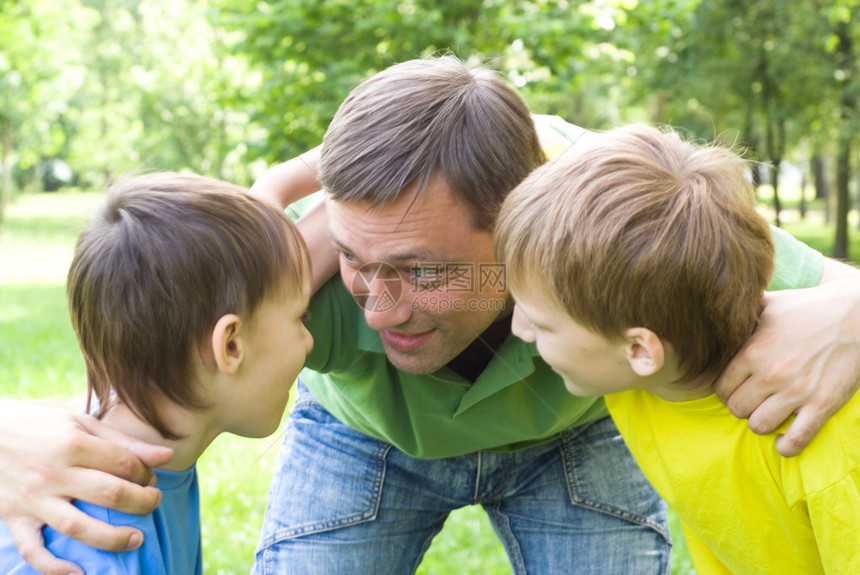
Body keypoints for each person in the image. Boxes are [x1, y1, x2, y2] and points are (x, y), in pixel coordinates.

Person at [1, 56, 860, 575]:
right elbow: (145, 316)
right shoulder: (290, 287)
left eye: (422, 271)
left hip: (572, 432)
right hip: (366, 437)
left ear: (523, 228)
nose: (378, 306)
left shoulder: (611, 226)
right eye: (360, 263)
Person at [495, 123, 860, 574]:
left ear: (641, 351)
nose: (519, 330)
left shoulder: (829, 443)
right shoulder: (642, 376)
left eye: (541, 323)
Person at [0, 172, 313, 574]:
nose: (309, 341)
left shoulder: (151, 451)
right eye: (299, 318)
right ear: (230, 345)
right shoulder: (104, 538)